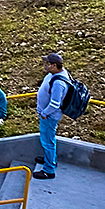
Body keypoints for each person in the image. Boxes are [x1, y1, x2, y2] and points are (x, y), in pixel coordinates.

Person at [34, 52, 71, 180]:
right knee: (48, 140)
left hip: (49, 117)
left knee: (48, 141)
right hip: (47, 115)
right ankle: (49, 159)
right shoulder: (55, 74)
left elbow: (55, 103)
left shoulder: (58, 83)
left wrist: (44, 113)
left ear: (55, 65)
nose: (46, 66)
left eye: (48, 64)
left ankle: (49, 170)